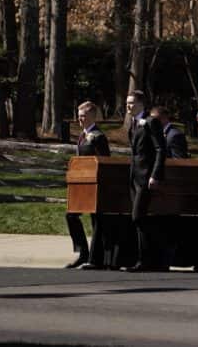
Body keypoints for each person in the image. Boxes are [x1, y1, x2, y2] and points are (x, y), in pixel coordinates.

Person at [124, 90, 167, 272]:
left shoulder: (151, 122)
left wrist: (155, 175)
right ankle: (149, 258)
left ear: (141, 104)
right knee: (139, 218)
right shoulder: (133, 124)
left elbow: (160, 149)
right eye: (127, 103)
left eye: (132, 103)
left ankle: (146, 259)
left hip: (146, 177)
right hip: (135, 176)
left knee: (138, 216)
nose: (128, 106)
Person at [65, 102, 110, 270]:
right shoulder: (82, 136)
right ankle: (83, 252)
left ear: (92, 116)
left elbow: (104, 161)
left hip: (95, 186)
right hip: (82, 185)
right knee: (71, 216)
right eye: (78, 114)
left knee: (96, 220)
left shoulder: (98, 136)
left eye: (83, 115)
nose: (79, 118)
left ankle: (95, 258)